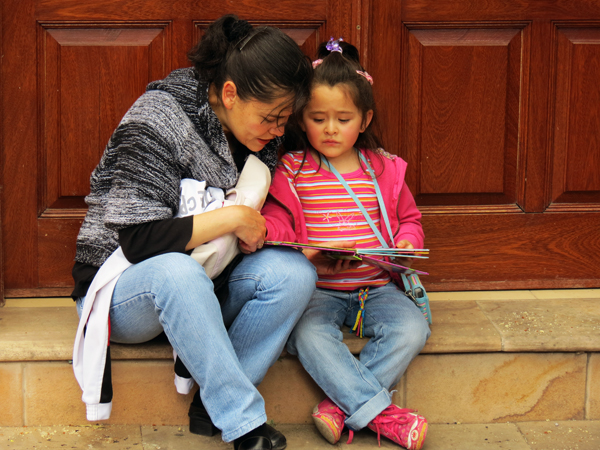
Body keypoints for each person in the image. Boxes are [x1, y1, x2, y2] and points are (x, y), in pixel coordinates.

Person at [71, 14, 316, 450]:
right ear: (229, 93)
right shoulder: (161, 117)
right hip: (125, 288)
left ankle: (211, 403)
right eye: (271, 119)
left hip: (210, 281)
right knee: (177, 273)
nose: (280, 130)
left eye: (285, 119)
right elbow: (137, 238)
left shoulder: (263, 132)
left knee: (293, 275)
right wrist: (231, 219)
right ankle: (242, 421)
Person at [261, 38, 430, 450]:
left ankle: (339, 407)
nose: (331, 128)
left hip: (376, 288)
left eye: (343, 118)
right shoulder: (292, 170)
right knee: (307, 336)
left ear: (365, 118)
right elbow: (274, 225)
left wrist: (406, 242)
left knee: (412, 328)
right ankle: (382, 415)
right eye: (318, 118)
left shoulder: (384, 169)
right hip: (318, 292)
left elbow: (409, 219)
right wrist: (306, 252)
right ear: (302, 119)